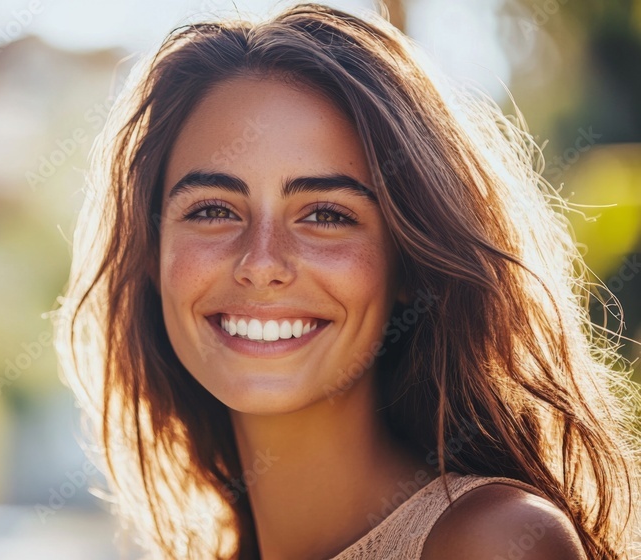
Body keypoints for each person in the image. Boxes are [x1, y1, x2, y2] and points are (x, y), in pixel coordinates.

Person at [50, 3, 641, 558]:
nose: (261, 262)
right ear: (154, 255)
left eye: (326, 215)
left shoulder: (490, 539)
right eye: (212, 210)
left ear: (408, 264)